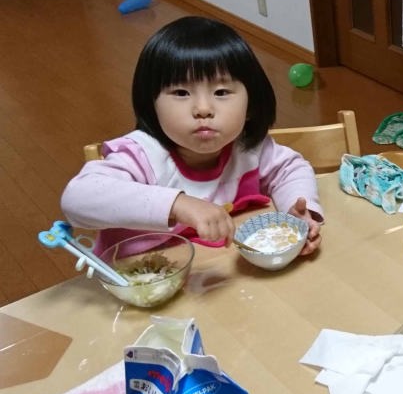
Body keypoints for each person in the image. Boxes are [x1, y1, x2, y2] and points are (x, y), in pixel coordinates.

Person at [61, 16, 323, 256]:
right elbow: (78, 198)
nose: (203, 109)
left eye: (221, 92)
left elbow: (290, 169)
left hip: (221, 272)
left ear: (251, 104)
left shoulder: (247, 148)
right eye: (181, 93)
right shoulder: (141, 157)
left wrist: (296, 211)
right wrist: (178, 205)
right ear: (151, 104)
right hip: (142, 280)